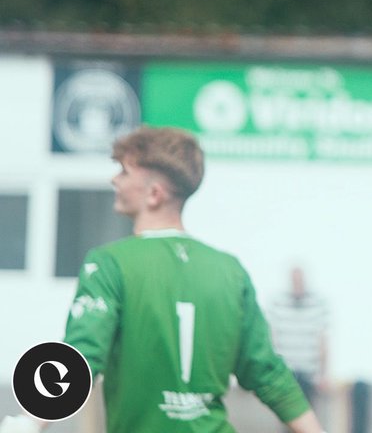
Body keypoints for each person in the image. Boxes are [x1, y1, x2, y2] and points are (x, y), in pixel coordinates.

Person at [0, 127, 325, 433]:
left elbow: (81, 357)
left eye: (125, 172)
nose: (114, 180)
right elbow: (265, 369)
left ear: (154, 194)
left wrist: (28, 423)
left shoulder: (110, 263)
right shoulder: (229, 270)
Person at [268, 266, 330, 410]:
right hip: (286, 374)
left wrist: (324, 374)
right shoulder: (277, 303)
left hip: (309, 375)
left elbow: (323, 341)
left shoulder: (318, 304)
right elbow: (272, 338)